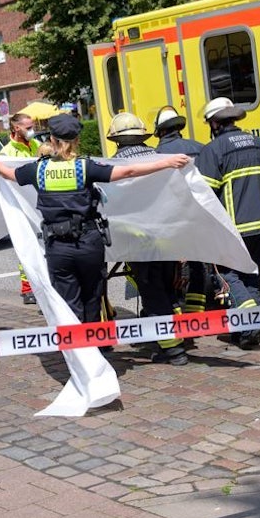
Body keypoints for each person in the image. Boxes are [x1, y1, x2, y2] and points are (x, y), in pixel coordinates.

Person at [0, 114, 189, 334]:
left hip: (58, 247)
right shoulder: (84, 167)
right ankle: (97, 350)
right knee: (92, 300)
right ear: (77, 140)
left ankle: (79, 356)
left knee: (68, 305)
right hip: (88, 244)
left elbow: (6, 173)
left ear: (52, 139)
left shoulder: (38, 169)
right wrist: (166, 162)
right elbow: (129, 171)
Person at [197, 97, 260, 350]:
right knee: (251, 274)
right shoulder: (259, 144)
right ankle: (245, 333)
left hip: (232, 227)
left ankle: (252, 321)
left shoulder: (213, 150)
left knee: (228, 275)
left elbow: (204, 194)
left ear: (214, 123)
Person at [109, 112, 188, 366]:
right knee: (168, 287)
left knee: (152, 291)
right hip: (168, 235)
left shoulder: (113, 164)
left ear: (117, 140)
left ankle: (172, 350)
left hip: (138, 241)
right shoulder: (161, 158)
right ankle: (175, 336)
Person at [153, 106, 210, 316]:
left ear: (159, 131)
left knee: (171, 266)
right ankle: (196, 314)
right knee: (198, 264)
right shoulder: (201, 148)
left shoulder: (156, 155)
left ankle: (175, 308)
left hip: (171, 219)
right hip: (198, 216)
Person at [0, 112, 41, 304]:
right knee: (26, 245)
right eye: (28, 127)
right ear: (16, 128)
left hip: (40, 203)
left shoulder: (35, 145)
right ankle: (27, 288)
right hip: (20, 204)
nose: (32, 131)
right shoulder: (7, 153)